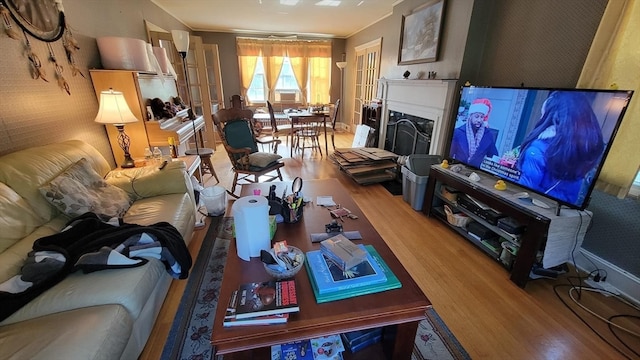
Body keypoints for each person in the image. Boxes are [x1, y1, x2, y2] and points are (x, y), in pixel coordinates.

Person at [516, 91, 604, 205]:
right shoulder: (582, 149)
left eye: (542, 114)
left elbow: (524, 191)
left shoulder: (538, 149)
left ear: (550, 116)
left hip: (534, 209)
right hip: (563, 211)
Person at [450, 98, 499, 168]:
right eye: (476, 116)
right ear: (470, 116)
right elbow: (450, 155)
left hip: (476, 174)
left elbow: (494, 157)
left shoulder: (488, 135)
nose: (479, 120)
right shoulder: (458, 132)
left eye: (482, 117)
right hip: (457, 170)